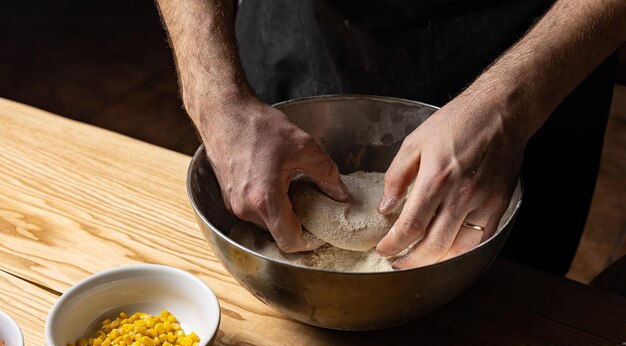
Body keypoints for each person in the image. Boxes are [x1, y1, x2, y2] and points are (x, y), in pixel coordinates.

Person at [156, 0, 625, 275]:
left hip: (533, 43)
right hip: (305, 26)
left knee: (505, 297)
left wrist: (512, 105)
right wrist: (215, 97)